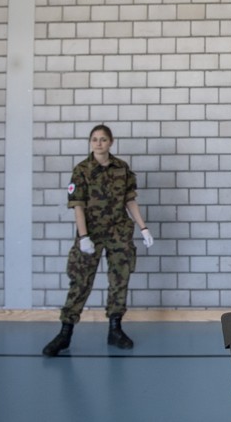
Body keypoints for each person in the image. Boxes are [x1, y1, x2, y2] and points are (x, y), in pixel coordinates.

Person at [42, 124, 154, 356]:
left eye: (103, 139)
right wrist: (83, 237)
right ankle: (65, 332)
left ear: (111, 142)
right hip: (91, 232)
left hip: (118, 232)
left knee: (119, 279)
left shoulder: (121, 169)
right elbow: (78, 206)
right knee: (80, 281)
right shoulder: (82, 170)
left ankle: (115, 328)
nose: (99, 143)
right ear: (90, 142)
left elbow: (130, 200)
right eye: (95, 139)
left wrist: (143, 228)